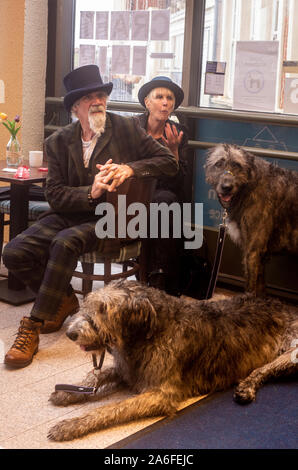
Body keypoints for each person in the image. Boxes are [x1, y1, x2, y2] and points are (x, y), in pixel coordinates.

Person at [3, 65, 178, 369]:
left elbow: (168, 163)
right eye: (89, 98)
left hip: (114, 217)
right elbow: (54, 195)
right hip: (72, 213)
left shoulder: (125, 128)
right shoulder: (57, 142)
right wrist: (91, 191)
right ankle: (64, 300)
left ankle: (32, 326)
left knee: (64, 243)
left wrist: (131, 169)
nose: (98, 102)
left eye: (101, 95)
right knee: (14, 252)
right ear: (75, 107)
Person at [136, 76, 188, 295]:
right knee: (164, 203)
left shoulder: (176, 132)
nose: (165, 102)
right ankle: (157, 274)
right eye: (159, 97)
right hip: (132, 191)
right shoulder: (133, 128)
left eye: (170, 98)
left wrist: (174, 152)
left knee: (166, 202)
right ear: (148, 103)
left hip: (162, 195)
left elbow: (180, 181)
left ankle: (159, 276)